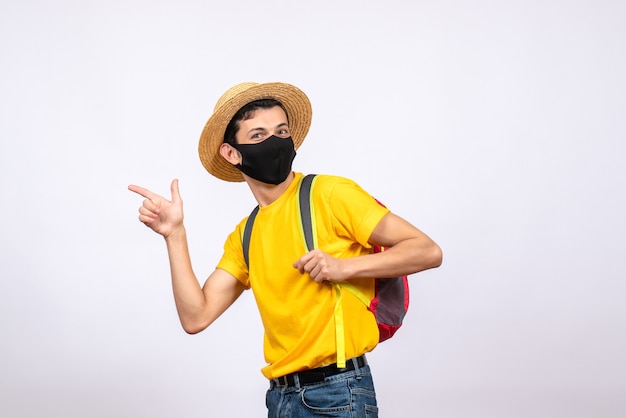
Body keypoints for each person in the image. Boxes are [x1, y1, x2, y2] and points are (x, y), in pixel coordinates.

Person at [129, 82, 442, 417]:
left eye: (281, 131)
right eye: (259, 136)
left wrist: (344, 267)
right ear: (232, 153)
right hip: (280, 399)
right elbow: (196, 316)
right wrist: (174, 234)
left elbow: (427, 250)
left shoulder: (329, 194)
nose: (275, 143)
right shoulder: (245, 235)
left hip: (339, 393)